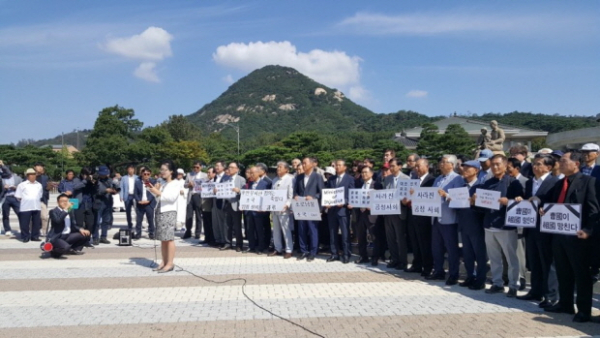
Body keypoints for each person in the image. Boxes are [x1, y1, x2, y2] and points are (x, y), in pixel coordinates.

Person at [543, 151, 599, 323]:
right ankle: (565, 303)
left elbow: (594, 210)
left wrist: (588, 230)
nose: (560, 163)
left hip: (578, 237)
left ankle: (583, 310)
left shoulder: (589, 182)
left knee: (581, 275)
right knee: (563, 271)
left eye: (564, 160)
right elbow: (550, 202)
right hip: (559, 235)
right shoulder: (560, 183)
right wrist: (542, 208)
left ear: (576, 163)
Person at [475, 154, 523, 297]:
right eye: (493, 164)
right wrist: (476, 200)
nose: (495, 167)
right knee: (494, 257)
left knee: (511, 258)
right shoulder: (487, 183)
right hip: (489, 224)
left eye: (498, 164)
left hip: (506, 226)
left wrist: (509, 201)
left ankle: (514, 285)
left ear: (505, 165)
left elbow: (520, 202)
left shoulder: (513, 183)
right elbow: (481, 208)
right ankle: (497, 283)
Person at [514, 154, 559, 307]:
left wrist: (541, 203)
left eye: (539, 164)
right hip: (531, 227)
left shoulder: (554, 182)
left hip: (546, 228)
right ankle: (535, 291)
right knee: (533, 262)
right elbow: (528, 201)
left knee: (547, 263)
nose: (535, 167)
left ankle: (550, 295)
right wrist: (522, 200)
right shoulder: (529, 182)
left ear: (548, 167)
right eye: (534, 164)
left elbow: (555, 203)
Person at [428, 155, 464, 285]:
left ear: (452, 165)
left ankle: (454, 274)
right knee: (436, 247)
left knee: (451, 248)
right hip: (436, 218)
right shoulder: (438, 179)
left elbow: (460, 198)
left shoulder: (457, 179)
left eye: (444, 162)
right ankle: (438, 271)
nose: (441, 164)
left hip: (449, 219)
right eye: (441, 162)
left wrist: (446, 195)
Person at [454, 160, 487, 290]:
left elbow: (485, 207)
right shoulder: (461, 187)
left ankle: (480, 279)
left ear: (476, 170)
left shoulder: (482, 186)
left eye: (468, 168)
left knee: (479, 254)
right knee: (467, 254)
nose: (465, 170)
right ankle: (470, 276)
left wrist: (475, 202)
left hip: (477, 225)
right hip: (464, 224)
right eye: (464, 168)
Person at [147, 160, 180, 273]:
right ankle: (164, 261)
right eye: (161, 170)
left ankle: (170, 263)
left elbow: (171, 198)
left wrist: (158, 192)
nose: (162, 172)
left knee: (169, 238)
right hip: (160, 211)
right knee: (162, 238)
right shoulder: (164, 183)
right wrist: (153, 190)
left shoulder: (176, 183)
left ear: (171, 171)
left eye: (165, 170)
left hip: (169, 212)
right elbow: (159, 198)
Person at [405, 158, 435, 276]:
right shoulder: (413, 180)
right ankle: (417, 264)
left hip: (424, 217)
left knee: (425, 243)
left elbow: (431, 197)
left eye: (419, 166)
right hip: (412, 214)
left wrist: (416, 194)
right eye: (415, 166)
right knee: (415, 242)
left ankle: (427, 267)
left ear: (427, 166)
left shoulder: (432, 180)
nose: (416, 169)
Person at [293, 157, 324, 262]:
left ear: (311, 164)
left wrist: (314, 197)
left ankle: (313, 252)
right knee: (301, 229)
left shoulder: (317, 177)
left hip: (312, 207)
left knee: (312, 230)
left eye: (305, 163)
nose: (303, 165)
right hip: (301, 206)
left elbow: (322, 192)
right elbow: (295, 191)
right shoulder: (299, 177)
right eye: (303, 163)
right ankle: (303, 251)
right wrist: (295, 196)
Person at [350, 166, 382, 264]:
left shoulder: (377, 185)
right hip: (360, 214)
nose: (364, 174)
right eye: (362, 172)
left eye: (366, 172)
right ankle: (363, 256)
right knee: (361, 236)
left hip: (372, 215)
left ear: (371, 174)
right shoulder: (359, 184)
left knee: (374, 237)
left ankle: (375, 257)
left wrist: (373, 205)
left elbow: (381, 199)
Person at [325, 159, 355, 264]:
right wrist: (326, 202)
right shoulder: (331, 179)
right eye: (336, 165)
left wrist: (345, 202)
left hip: (343, 210)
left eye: (339, 165)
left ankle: (346, 254)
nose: (337, 167)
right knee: (332, 233)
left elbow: (352, 194)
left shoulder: (350, 179)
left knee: (345, 234)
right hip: (332, 210)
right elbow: (328, 193)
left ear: (345, 167)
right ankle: (334, 254)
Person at [383, 158, 410, 269]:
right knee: (390, 238)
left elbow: (408, 196)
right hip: (388, 212)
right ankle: (394, 259)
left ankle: (403, 261)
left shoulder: (407, 179)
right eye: (390, 166)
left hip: (400, 212)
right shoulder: (387, 179)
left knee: (400, 238)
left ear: (400, 166)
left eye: (393, 166)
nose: (391, 168)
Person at [270, 161, 295, 259]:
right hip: (275, 209)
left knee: (286, 230)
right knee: (275, 230)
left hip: (285, 209)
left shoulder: (290, 179)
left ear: (286, 169)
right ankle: (278, 248)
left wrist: (287, 204)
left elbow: (291, 194)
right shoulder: (275, 179)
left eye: (280, 167)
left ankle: (289, 249)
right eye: (277, 167)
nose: (278, 169)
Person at [246, 163, 272, 254]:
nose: (251, 175)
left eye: (253, 173)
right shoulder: (250, 184)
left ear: (258, 173)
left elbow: (267, 198)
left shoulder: (265, 184)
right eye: (250, 173)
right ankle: (251, 246)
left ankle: (261, 247)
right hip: (250, 211)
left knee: (260, 230)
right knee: (250, 230)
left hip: (259, 212)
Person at [222, 162, 246, 251]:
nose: (230, 169)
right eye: (229, 167)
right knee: (227, 225)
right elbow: (221, 189)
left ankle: (239, 244)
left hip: (236, 204)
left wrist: (239, 191)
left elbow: (245, 192)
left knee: (237, 226)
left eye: (232, 167)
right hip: (227, 204)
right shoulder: (225, 179)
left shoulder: (241, 179)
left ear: (237, 169)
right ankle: (228, 243)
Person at [15, 168, 43, 242]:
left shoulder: (39, 185)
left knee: (36, 223)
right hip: (25, 207)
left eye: (34, 174)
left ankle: (35, 236)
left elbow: (40, 195)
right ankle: (25, 236)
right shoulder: (22, 185)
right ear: (27, 176)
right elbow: (18, 196)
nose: (33, 176)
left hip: (36, 206)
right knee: (25, 223)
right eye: (31, 174)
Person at [93, 165, 118, 245]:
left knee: (106, 221)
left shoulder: (110, 180)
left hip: (108, 202)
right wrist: (105, 190)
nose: (105, 175)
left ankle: (103, 237)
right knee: (96, 222)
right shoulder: (96, 181)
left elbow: (116, 188)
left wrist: (114, 191)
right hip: (98, 202)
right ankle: (95, 237)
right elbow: (96, 191)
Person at [184, 161, 207, 239]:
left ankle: (198, 232)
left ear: (201, 167)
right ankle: (188, 231)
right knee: (189, 215)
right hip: (191, 195)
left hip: (199, 195)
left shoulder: (204, 175)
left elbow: (207, 185)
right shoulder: (189, 174)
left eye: (197, 167)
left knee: (198, 215)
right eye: (194, 167)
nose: (195, 169)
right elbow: (185, 185)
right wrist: (188, 184)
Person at [134, 168, 156, 240]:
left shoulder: (152, 182)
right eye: (145, 174)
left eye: (148, 174)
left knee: (150, 220)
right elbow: (135, 193)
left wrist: (148, 200)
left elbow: (153, 193)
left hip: (149, 204)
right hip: (140, 204)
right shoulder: (137, 182)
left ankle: (151, 233)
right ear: (142, 174)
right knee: (139, 220)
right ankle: (138, 234)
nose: (146, 176)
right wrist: (138, 200)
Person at [1, 163, 21, 236]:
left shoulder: (17, 178)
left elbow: (22, 186)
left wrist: (16, 188)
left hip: (15, 197)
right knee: (5, 215)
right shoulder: (1, 178)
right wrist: (4, 187)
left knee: (20, 213)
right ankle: (7, 229)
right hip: (5, 197)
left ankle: (22, 227)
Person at [211, 161, 228, 247]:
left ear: (223, 167)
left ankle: (224, 240)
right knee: (215, 221)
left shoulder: (226, 177)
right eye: (215, 166)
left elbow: (228, 189)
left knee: (222, 222)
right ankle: (218, 239)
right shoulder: (215, 177)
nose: (216, 167)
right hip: (214, 200)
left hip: (222, 202)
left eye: (218, 166)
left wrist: (219, 190)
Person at [33, 162, 51, 235]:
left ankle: (44, 231)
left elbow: (47, 187)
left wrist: (49, 187)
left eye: (41, 166)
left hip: (43, 199)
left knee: (44, 216)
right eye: (38, 166)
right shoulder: (31, 176)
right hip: (33, 199)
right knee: (34, 217)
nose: (40, 168)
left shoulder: (45, 177)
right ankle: (34, 231)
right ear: (34, 167)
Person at [119, 164, 138, 231]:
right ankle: (129, 224)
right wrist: (121, 196)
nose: (131, 170)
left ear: (134, 170)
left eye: (132, 169)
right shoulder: (124, 178)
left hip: (135, 196)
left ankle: (138, 224)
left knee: (137, 211)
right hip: (127, 196)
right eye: (129, 169)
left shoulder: (137, 178)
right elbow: (121, 187)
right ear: (127, 170)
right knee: (128, 211)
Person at [200, 166, 215, 245]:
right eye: (207, 172)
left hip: (211, 204)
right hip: (204, 205)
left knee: (211, 223)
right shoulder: (205, 182)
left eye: (209, 172)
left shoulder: (215, 182)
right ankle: (207, 238)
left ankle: (212, 239)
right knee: (205, 222)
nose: (208, 174)